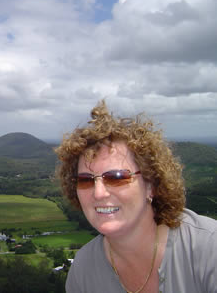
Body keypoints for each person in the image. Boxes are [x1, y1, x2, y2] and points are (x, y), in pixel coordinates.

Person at [55, 100, 217, 293]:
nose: (98, 193)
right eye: (85, 180)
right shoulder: (83, 270)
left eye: (116, 177)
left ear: (151, 185)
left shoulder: (208, 248)